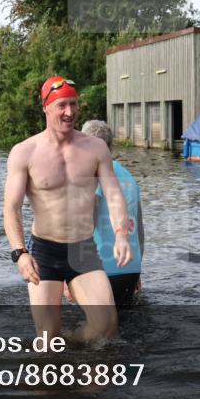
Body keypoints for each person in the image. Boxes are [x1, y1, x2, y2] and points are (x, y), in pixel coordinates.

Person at [3, 76, 131, 343]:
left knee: (106, 326)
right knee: (48, 338)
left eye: (73, 104)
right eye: (62, 105)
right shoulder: (24, 152)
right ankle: (51, 374)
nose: (70, 112)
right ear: (46, 107)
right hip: (44, 253)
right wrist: (19, 254)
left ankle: (72, 345)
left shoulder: (95, 148)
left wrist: (121, 233)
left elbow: (114, 194)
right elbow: (11, 209)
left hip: (83, 249)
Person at [81, 120, 145, 306]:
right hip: (130, 266)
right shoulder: (129, 177)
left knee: (98, 329)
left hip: (102, 268)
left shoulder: (93, 176)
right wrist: (137, 270)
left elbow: (87, 226)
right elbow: (139, 231)